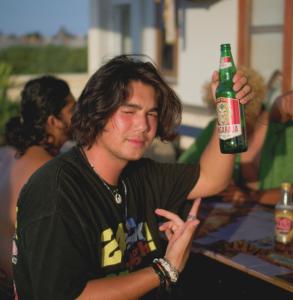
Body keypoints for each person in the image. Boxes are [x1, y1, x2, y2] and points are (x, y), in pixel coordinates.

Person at [13, 55, 253, 300]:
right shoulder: (56, 191)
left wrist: (229, 109)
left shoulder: (138, 173)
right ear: (98, 111)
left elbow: (212, 179)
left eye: (151, 113)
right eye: (129, 111)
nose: (143, 125)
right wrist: (165, 268)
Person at [0, 75, 75, 299]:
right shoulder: (49, 170)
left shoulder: (6, 154)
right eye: (73, 110)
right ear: (53, 121)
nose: (79, 117)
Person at [179, 74, 293, 206]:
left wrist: (250, 196)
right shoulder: (218, 127)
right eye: (224, 110)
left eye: (238, 111)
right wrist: (216, 180)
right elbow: (182, 170)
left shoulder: (288, 132)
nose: (231, 122)